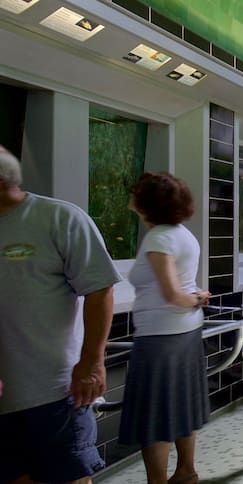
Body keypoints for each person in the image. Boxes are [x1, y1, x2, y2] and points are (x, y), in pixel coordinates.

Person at [0, 145, 122, 484]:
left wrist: (92, 362)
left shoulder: (59, 218)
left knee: (69, 476)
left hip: (56, 391)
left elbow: (100, 289)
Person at [120, 172, 211, 484]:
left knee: (154, 416)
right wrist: (197, 297)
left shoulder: (159, 238)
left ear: (146, 202)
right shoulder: (183, 234)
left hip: (160, 338)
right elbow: (183, 287)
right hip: (185, 333)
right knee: (181, 405)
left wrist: (194, 298)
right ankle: (186, 470)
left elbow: (172, 294)